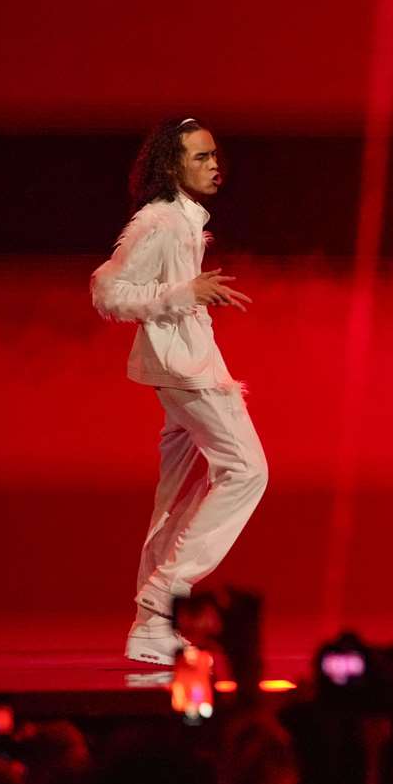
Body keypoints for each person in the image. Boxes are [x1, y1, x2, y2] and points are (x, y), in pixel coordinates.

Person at [91, 117, 267, 665]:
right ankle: (167, 595)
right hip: (184, 371)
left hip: (186, 365)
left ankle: (151, 626)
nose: (215, 165)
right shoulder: (163, 221)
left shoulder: (185, 220)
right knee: (246, 470)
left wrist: (186, 294)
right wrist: (183, 291)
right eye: (201, 157)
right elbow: (109, 290)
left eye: (215, 155)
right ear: (172, 166)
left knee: (178, 495)